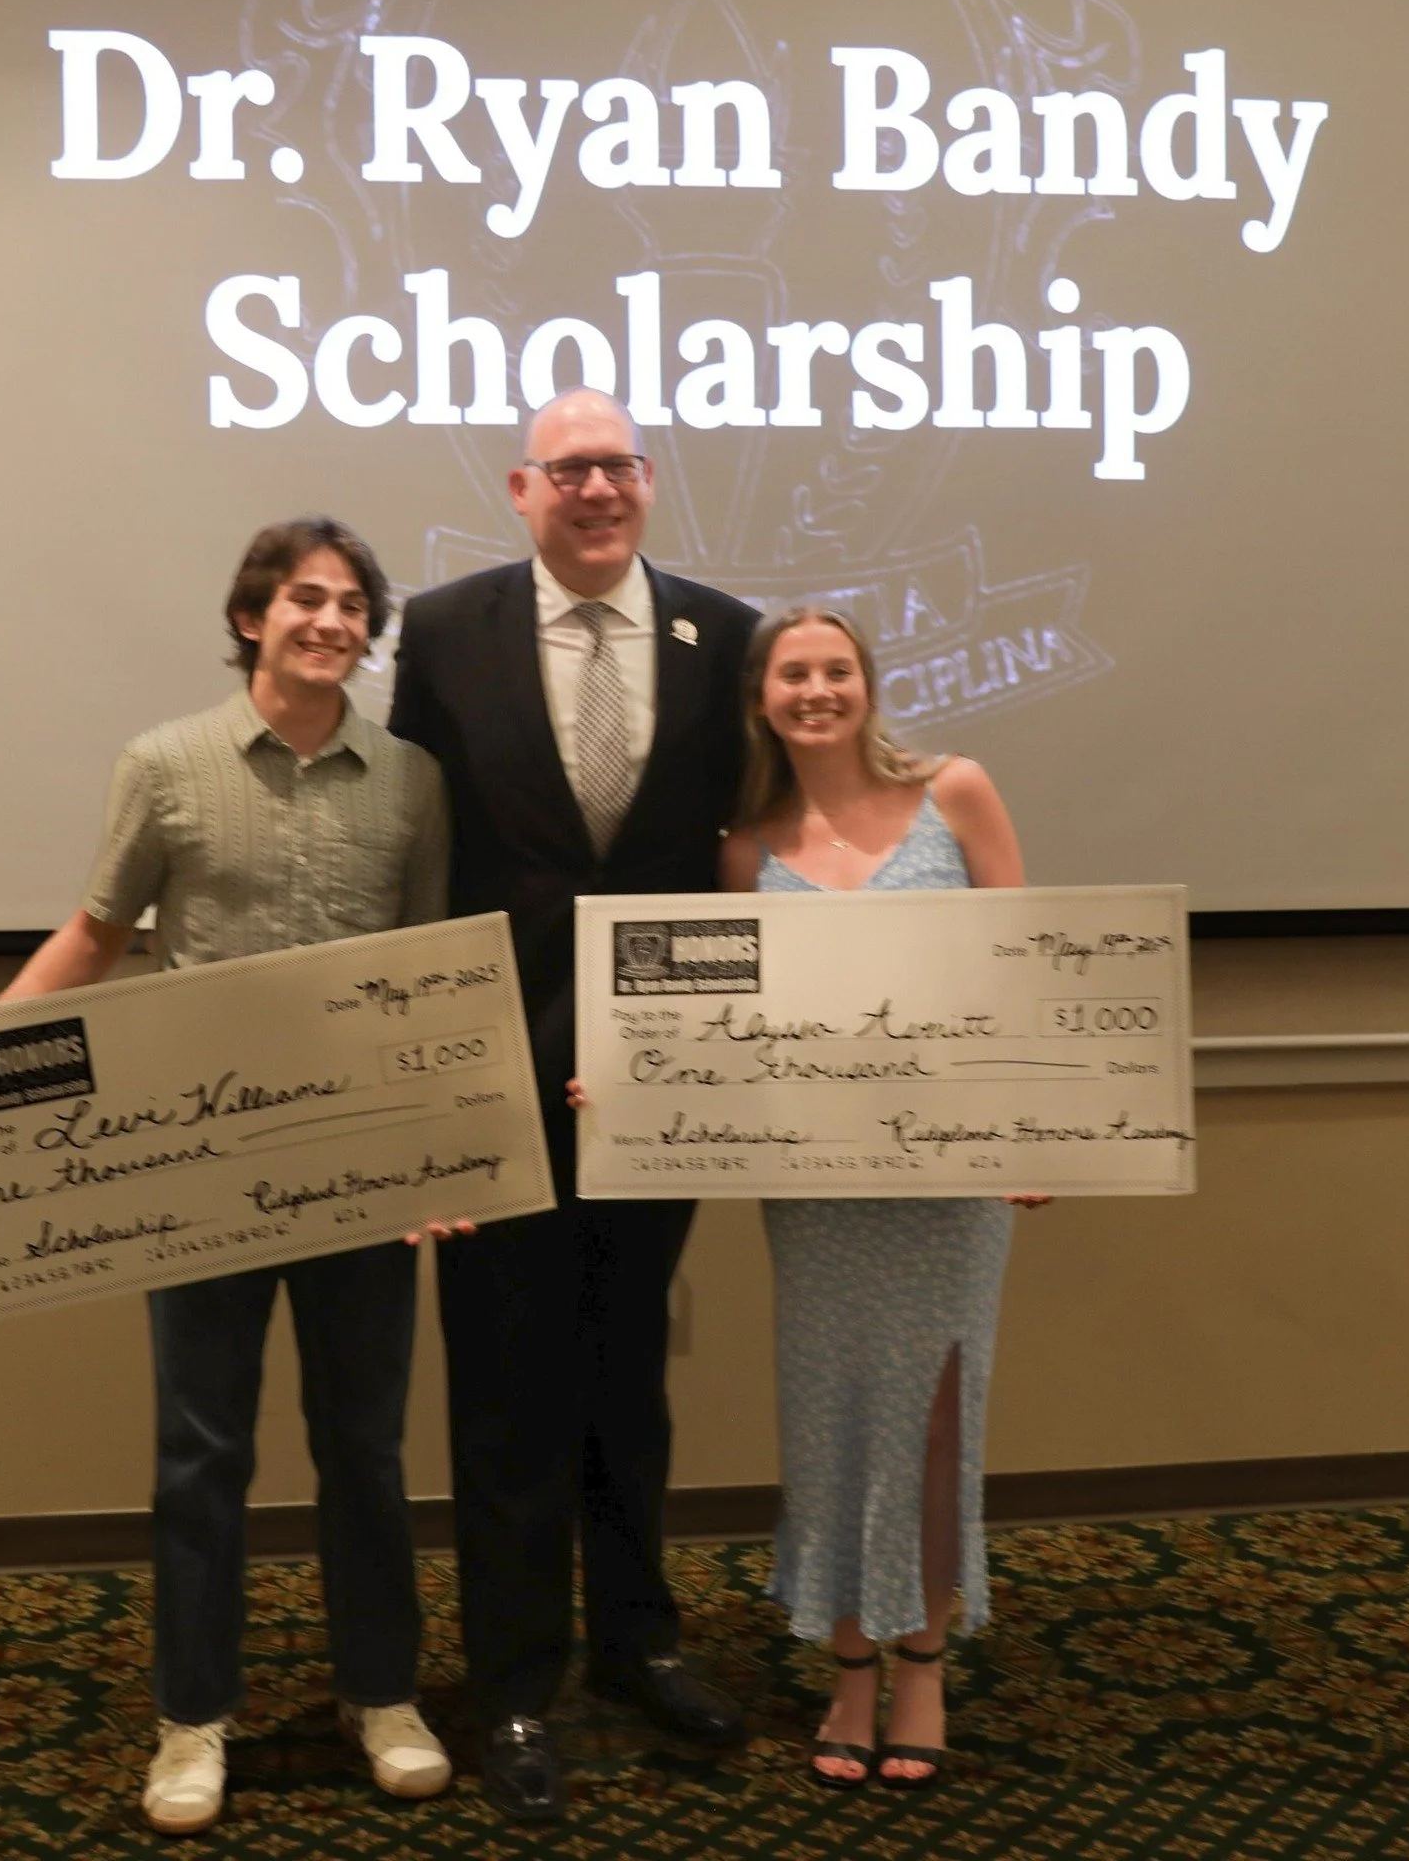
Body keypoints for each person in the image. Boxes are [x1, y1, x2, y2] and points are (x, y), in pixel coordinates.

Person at [0, 519, 457, 1836]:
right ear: (252, 617)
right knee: (200, 1452)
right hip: (199, 1175)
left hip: (362, 1171)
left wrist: (442, 1147)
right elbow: (91, 938)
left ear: (369, 631)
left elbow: (433, 979)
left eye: (351, 603)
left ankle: (382, 1695)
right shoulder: (165, 765)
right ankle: (192, 1718)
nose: (329, 620)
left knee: (363, 1448)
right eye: (302, 598)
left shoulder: (412, 782)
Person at [386, 388, 759, 1820]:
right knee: (499, 1392)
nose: (595, 490)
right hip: (490, 1069)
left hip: (660, 1076)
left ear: (647, 482)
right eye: (567, 470)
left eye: (616, 466)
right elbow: (416, 848)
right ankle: (515, 1691)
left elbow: (758, 838)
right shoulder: (444, 629)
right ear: (519, 489)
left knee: (628, 1379)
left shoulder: (721, 635)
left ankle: (641, 1645)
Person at [718, 605, 1044, 1793]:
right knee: (833, 1408)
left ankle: (921, 1658)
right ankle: (846, 1662)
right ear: (763, 696)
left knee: (941, 1414)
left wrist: (1033, 1129)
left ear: (869, 682)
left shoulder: (957, 790)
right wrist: (633, 1070)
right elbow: (718, 1025)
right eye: (794, 673)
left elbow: (1025, 969)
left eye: (837, 669)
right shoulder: (745, 846)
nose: (817, 689)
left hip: (949, 1180)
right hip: (817, 1186)